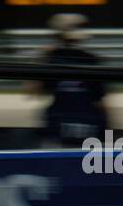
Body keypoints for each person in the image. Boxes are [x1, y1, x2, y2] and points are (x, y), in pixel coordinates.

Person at [32, 13, 109, 146]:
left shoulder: (51, 59)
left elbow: (34, 92)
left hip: (59, 125)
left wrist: (40, 59)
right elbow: (100, 101)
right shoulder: (91, 59)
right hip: (88, 124)